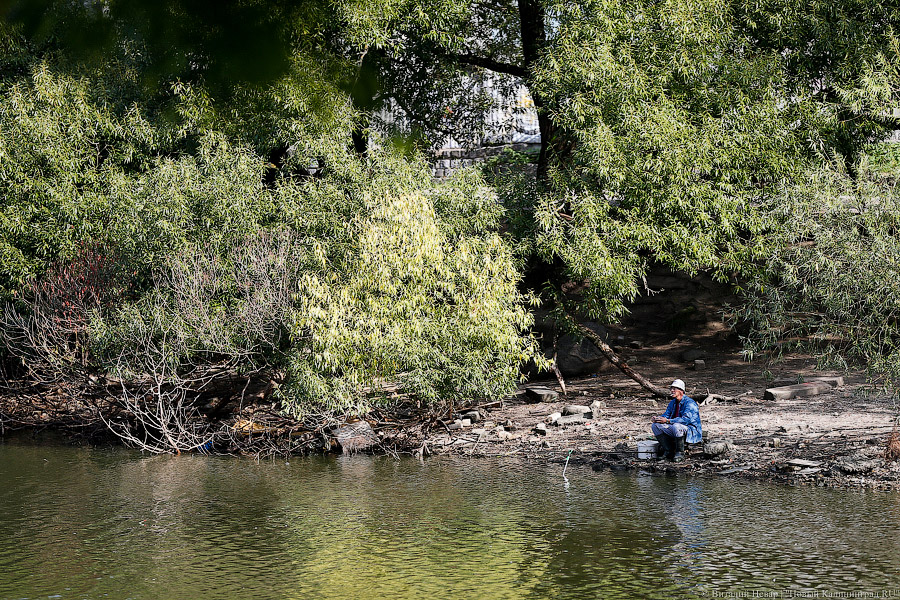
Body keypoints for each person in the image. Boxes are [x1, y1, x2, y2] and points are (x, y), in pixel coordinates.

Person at [651, 379, 702, 462]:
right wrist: (658, 418)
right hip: (676, 427)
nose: (672, 391)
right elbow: (666, 415)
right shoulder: (673, 402)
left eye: (674, 389)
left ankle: (680, 453)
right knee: (655, 426)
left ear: (681, 391)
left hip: (690, 430)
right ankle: (668, 451)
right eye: (671, 388)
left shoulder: (690, 403)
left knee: (677, 426)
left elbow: (686, 420)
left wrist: (668, 421)